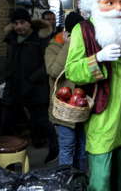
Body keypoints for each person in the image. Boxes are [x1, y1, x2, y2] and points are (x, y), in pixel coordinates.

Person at [65, 0, 121, 191]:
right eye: (110, 2)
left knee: (120, 170)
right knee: (101, 175)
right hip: (102, 110)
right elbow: (72, 70)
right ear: (95, 4)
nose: (119, 8)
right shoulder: (84, 29)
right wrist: (98, 57)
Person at [1, 8, 59, 164]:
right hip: (14, 88)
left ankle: (55, 149)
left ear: (29, 23)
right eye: (15, 23)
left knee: (43, 121)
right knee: (7, 124)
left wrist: (32, 79)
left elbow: (45, 64)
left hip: (35, 89)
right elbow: (9, 62)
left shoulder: (40, 38)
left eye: (22, 22)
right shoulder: (11, 38)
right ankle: (5, 159)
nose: (18, 26)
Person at [44, 11, 86, 171]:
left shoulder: (83, 44)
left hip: (82, 107)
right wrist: (68, 45)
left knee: (82, 148)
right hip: (64, 109)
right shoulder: (54, 46)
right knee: (67, 146)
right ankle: (65, 182)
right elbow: (54, 71)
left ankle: (79, 180)